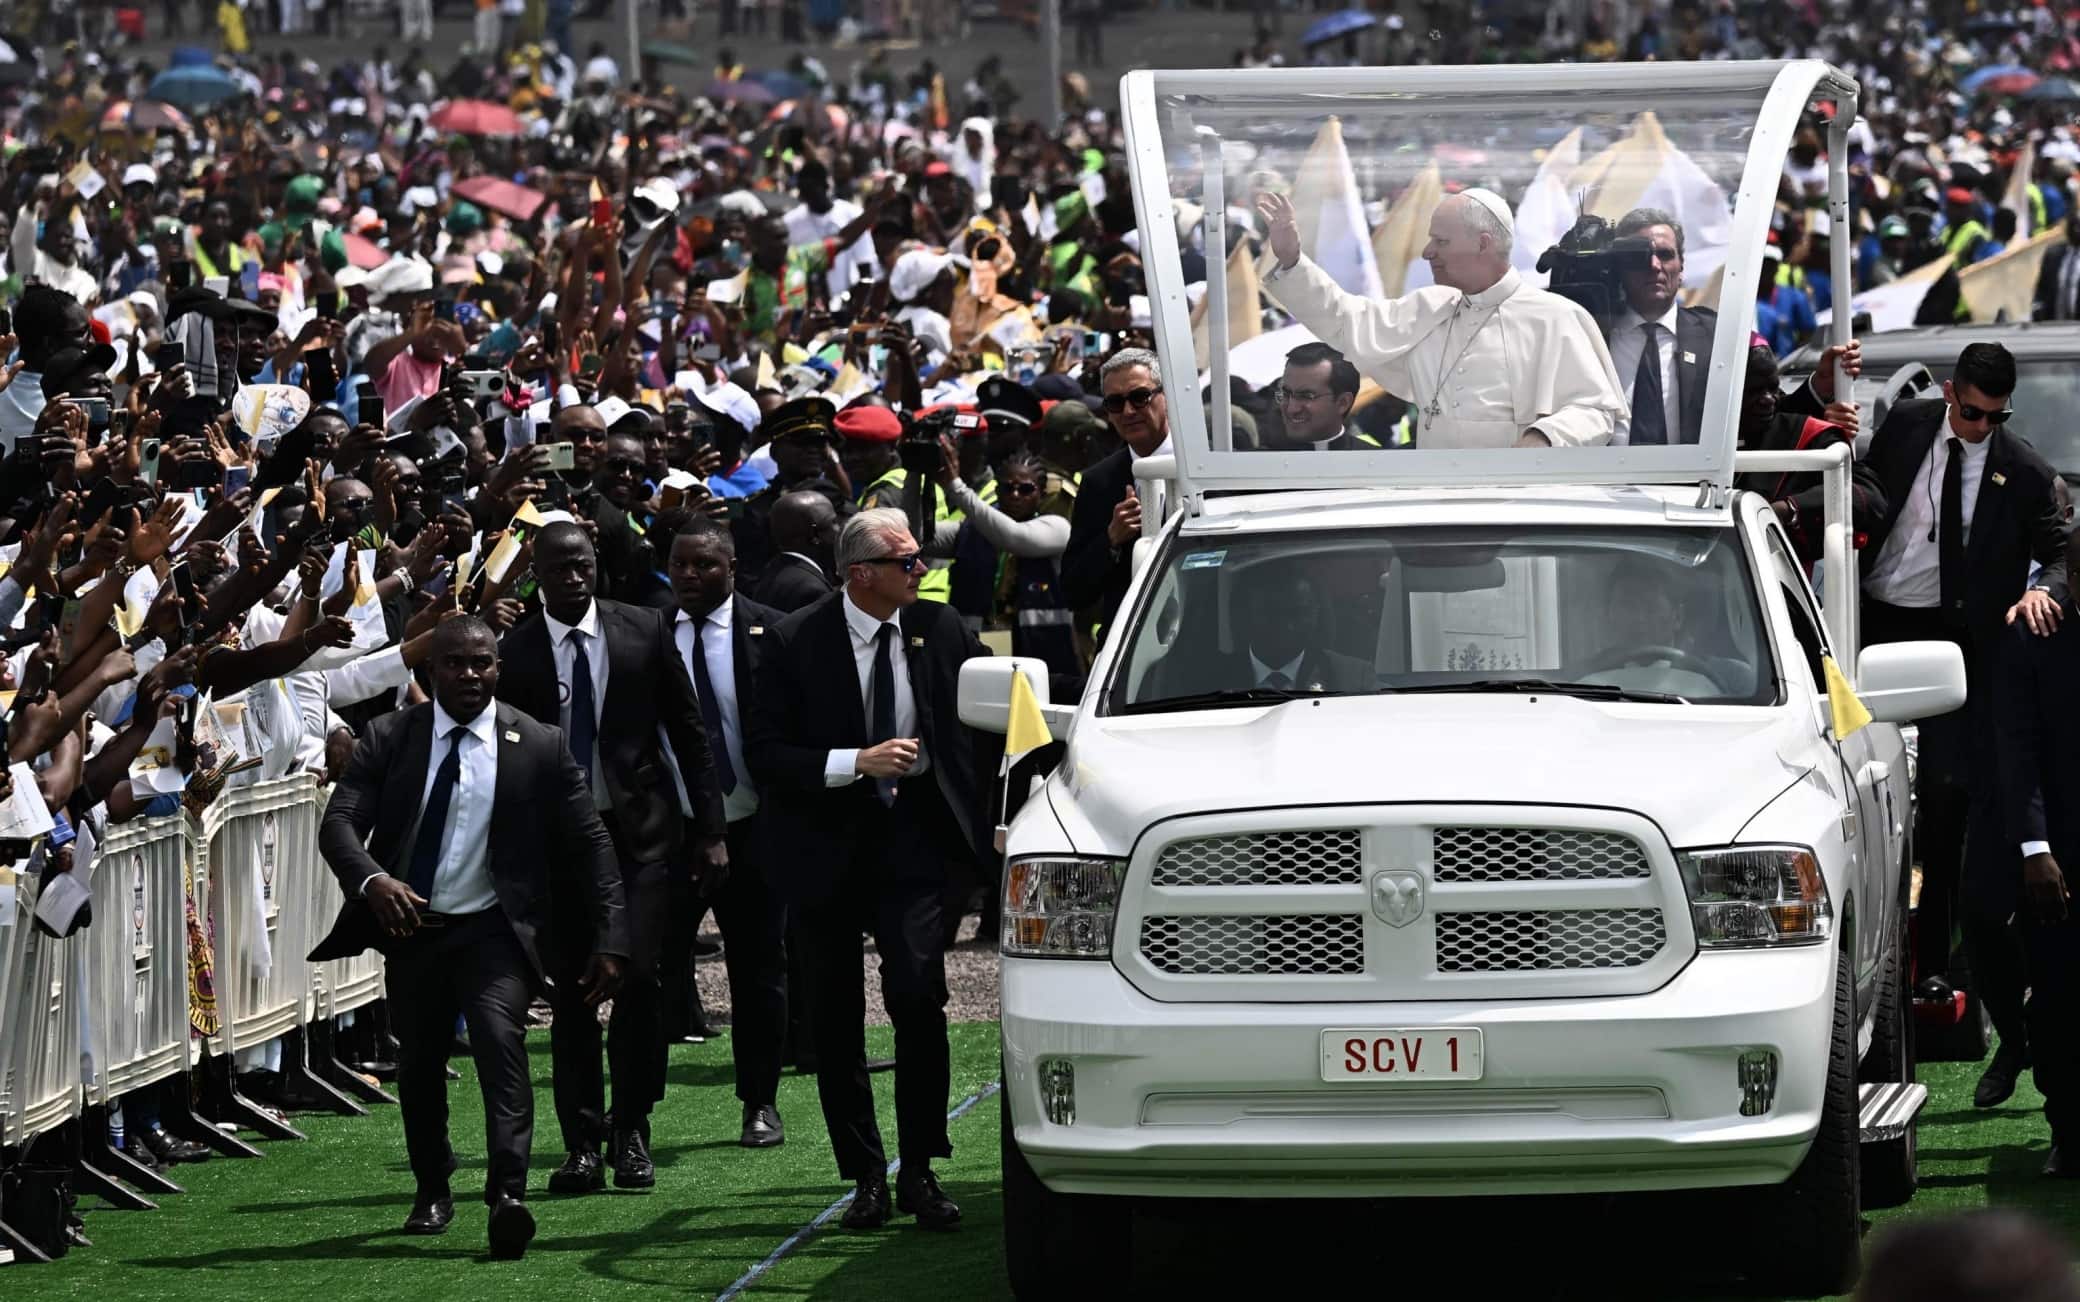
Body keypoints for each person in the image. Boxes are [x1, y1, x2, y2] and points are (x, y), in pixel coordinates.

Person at [310, 616, 628, 1259]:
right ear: (431, 670)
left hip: (495, 932)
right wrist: (374, 882)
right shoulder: (390, 736)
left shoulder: (538, 743)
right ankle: (432, 1187)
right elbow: (340, 824)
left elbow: (590, 840)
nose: (470, 675)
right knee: (421, 1062)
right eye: (455, 663)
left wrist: (612, 933)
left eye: (482, 662)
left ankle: (508, 1193)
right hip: (415, 927)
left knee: (498, 1042)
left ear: (498, 668)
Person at [1800, 341, 2068, 1081]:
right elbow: (1867, 487)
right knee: (1853, 775)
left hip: (1960, 641)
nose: (1979, 427)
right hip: (1873, 619)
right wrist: (1832, 430)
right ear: (1952, 394)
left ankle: (1933, 965)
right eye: (1971, 412)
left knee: (1947, 801)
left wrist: (2046, 589)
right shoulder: (1911, 425)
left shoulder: (2028, 472)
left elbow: (2061, 551)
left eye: (1994, 417)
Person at [744, 507, 986, 1232]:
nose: (921, 570)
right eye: (906, 561)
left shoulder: (938, 629)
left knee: (918, 996)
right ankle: (866, 1177)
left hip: (912, 842)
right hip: (823, 847)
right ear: (860, 575)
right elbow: (766, 754)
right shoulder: (794, 641)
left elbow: (979, 725)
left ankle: (920, 1168)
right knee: (835, 1020)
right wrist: (856, 764)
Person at [495, 522, 728, 1194]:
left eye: (583, 566)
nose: (573, 578)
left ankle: (632, 1128)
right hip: (560, 845)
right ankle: (580, 1143)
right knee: (572, 996)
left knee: (640, 980)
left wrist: (710, 830)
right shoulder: (516, 652)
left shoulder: (642, 630)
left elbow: (689, 732)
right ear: (536, 572)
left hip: (642, 840)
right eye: (559, 568)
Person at [1255, 189, 1626, 449]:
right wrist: (1292, 261)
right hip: (1436, 500)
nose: (1428, 251)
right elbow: (1345, 319)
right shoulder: (1431, 308)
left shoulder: (1555, 318)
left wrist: (1545, 437)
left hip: (1520, 505)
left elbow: (1596, 410)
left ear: (1483, 243)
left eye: (1441, 241)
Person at [663, 519, 791, 1148]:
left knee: (758, 968)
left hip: (756, 827)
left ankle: (760, 1102)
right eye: (679, 564)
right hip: (674, 831)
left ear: (733, 568)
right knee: (651, 968)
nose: (689, 575)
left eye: (704, 565)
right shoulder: (649, 633)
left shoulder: (774, 631)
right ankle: (630, 1118)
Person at [1734, 344, 1887, 563]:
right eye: (1754, 391)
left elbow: (1869, 495)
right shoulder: (1691, 432)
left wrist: (1789, 509)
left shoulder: (1803, 432)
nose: (1768, 399)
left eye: (1774, 389)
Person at [1145, 560, 1374, 698]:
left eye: (1298, 612)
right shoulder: (1204, 681)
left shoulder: (1354, 678)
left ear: (1316, 614)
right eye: (1271, 614)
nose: (1287, 625)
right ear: (1244, 616)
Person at [1063, 348, 1168, 644]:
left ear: (1167, 395)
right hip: (1129, 644)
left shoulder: (1205, 465)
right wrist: (1110, 539)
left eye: (1139, 397)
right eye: (1115, 403)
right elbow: (1074, 590)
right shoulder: (1099, 481)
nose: (1128, 412)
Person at [1607, 208, 1717, 446]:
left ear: (1681, 267)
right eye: (1640, 255)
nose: (1654, 265)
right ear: (1620, 266)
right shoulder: (1592, 335)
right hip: (1603, 480)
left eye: (1665, 255)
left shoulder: (1716, 335)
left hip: (1689, 482)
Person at [1274, 343, 1382, 450]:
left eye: (1306, 396)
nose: (1292, 408)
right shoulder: (1260, 463)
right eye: (1286, 394)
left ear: (1342, 403)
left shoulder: (1376, 462)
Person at [754, 489, 841, 613]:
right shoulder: (812, 590)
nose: (839, 529)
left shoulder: (770, 573)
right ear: (814, 534)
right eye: (833, 522)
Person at [2034, 209, 2080, 322]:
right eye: (2074, 224)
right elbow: (2041, 288)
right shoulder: (2053, 255)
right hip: (2053, 325)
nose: (2077, 229)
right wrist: (2037, 308)